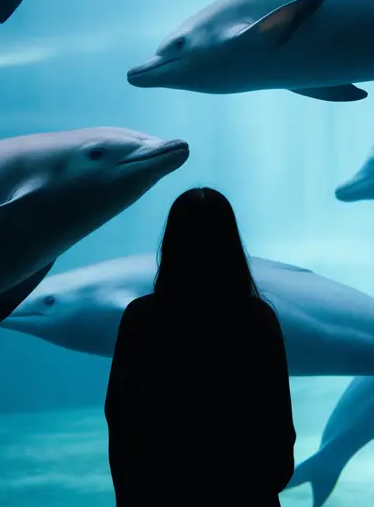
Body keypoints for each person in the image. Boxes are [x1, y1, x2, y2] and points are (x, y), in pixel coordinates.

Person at [104, 187, 296, 506]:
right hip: (247, 494)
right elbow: (275, 414)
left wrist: (129, 494)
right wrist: (268, 481)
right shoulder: (257, 316)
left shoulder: (141, 316)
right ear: (231, 244)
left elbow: (121, 415)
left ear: (171, 244)